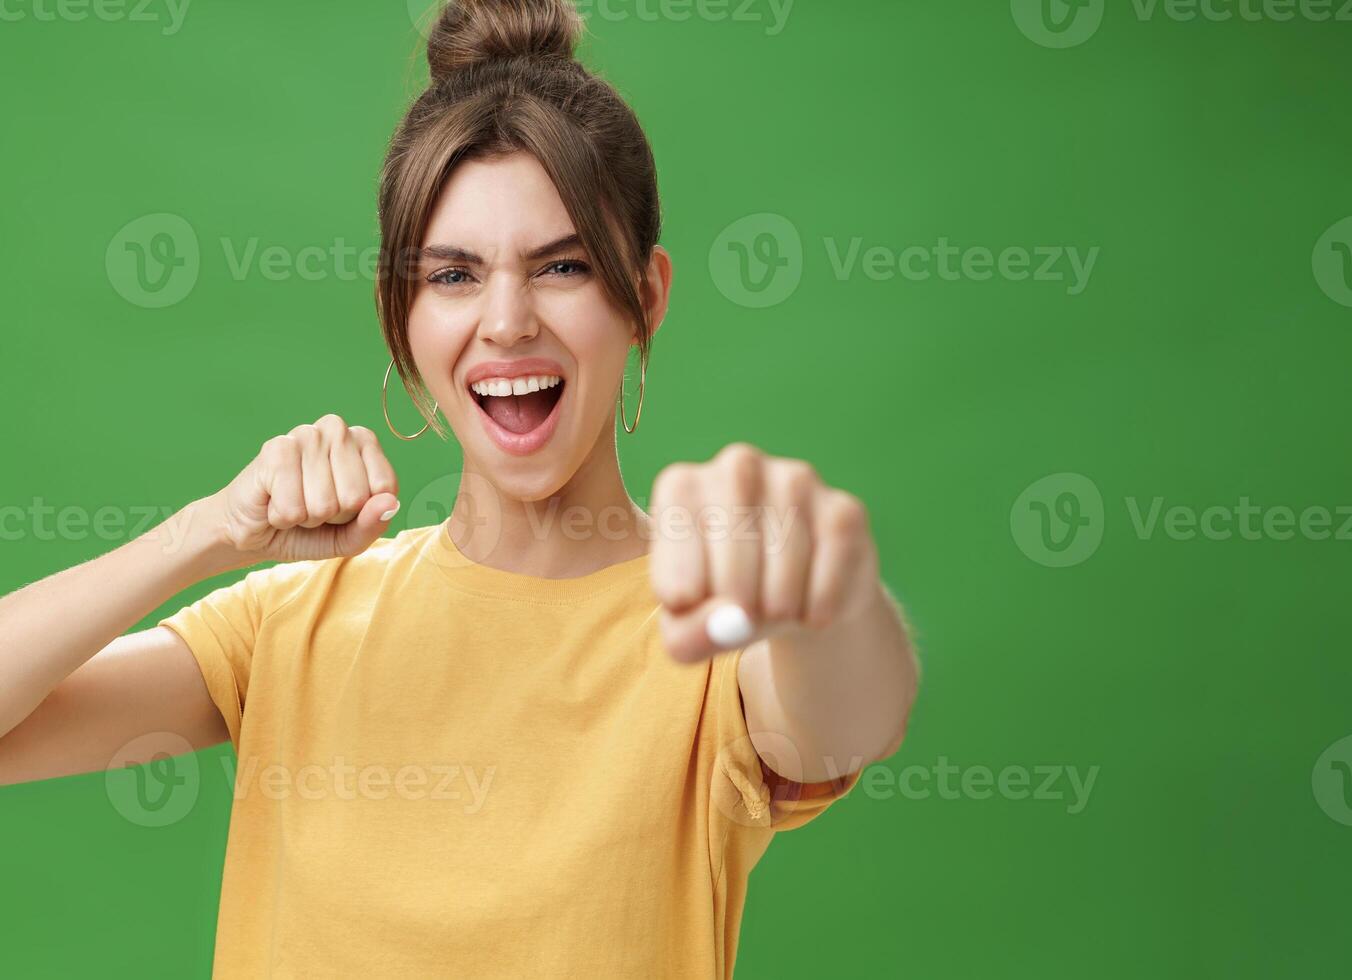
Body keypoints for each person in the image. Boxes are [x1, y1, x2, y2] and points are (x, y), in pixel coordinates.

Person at [0, 0, 918, 974]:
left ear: (644, 295)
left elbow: (851, 721)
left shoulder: (715, 635)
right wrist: (205, 531)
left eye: (561, 265)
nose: (508, 320)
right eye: (453, 275)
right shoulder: (292, 622)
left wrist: (826, 595)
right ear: (402, 316)